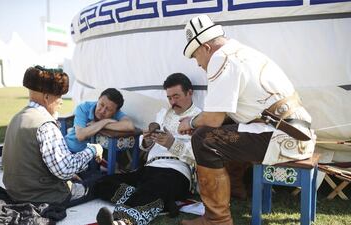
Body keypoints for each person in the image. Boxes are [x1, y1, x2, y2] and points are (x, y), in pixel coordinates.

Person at [178, 15, 315, 225]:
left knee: (203, 139)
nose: (198, 64)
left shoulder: (220, 58)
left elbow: (213, 119)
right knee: (224, 130)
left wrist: (191, 122)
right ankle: (236, 189)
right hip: (299, 133)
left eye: (196, 56)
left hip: (283, 138)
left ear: (206, 47)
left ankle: (217, 220)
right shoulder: (243, 51)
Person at [95, 73, 201, 225]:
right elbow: (143, 146)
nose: (172, 102)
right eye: (169, 97)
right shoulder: (163, 114)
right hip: (150, 167)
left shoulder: (199, 118)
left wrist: (172, 144)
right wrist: (146, 139)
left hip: (176, 172)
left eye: (176, 96)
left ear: (190, 92)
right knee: (103, 183)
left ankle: (122, 221)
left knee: (154, 187)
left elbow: (200, 157)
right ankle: (162, 202)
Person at [2, 65, 103, 206]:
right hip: (42, 196)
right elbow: (65, 170)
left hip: (16, 191)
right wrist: (93, 150)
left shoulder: (17, 117)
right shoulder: (45, 125)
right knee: (99, 180)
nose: (61, 101)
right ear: (46, 97)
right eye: (59, 96)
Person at [65, 88, 135, 153]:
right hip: (69, 150)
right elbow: (80, 136)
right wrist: (105, 121)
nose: (102, 111)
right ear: (98, 99)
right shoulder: (83, 108)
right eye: (101, 104)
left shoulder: (116, 112)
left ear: (115, 112)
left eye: (108, 109)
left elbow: (130, 126)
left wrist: (101, 124)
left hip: (92, 156)